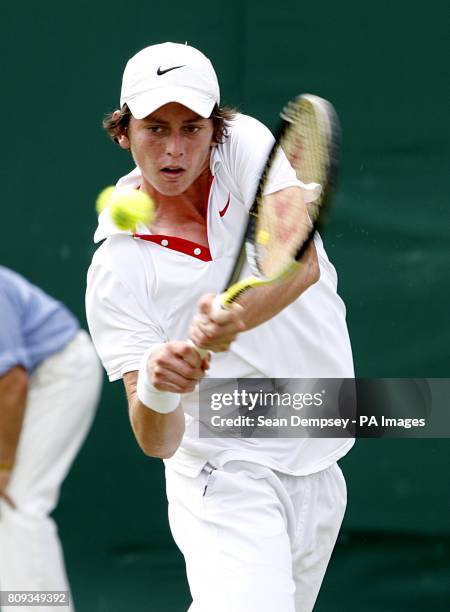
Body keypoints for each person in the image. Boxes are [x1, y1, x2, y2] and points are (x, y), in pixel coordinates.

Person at [86, 42, 354, 612]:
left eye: (192, 128)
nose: (175, 149)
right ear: (123, 132)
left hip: (319, 444)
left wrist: (234, 320)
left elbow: (299, 261)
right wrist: (159, 384)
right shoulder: (116, 269)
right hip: (222, 468)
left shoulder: (247, 147)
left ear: (217, 130)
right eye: (155, 129)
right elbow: (156, 440)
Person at [0, 266, 102, 612]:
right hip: (19, 384)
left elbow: (12, 381)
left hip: (59, 373)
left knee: (16, 499)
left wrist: (3, 464)